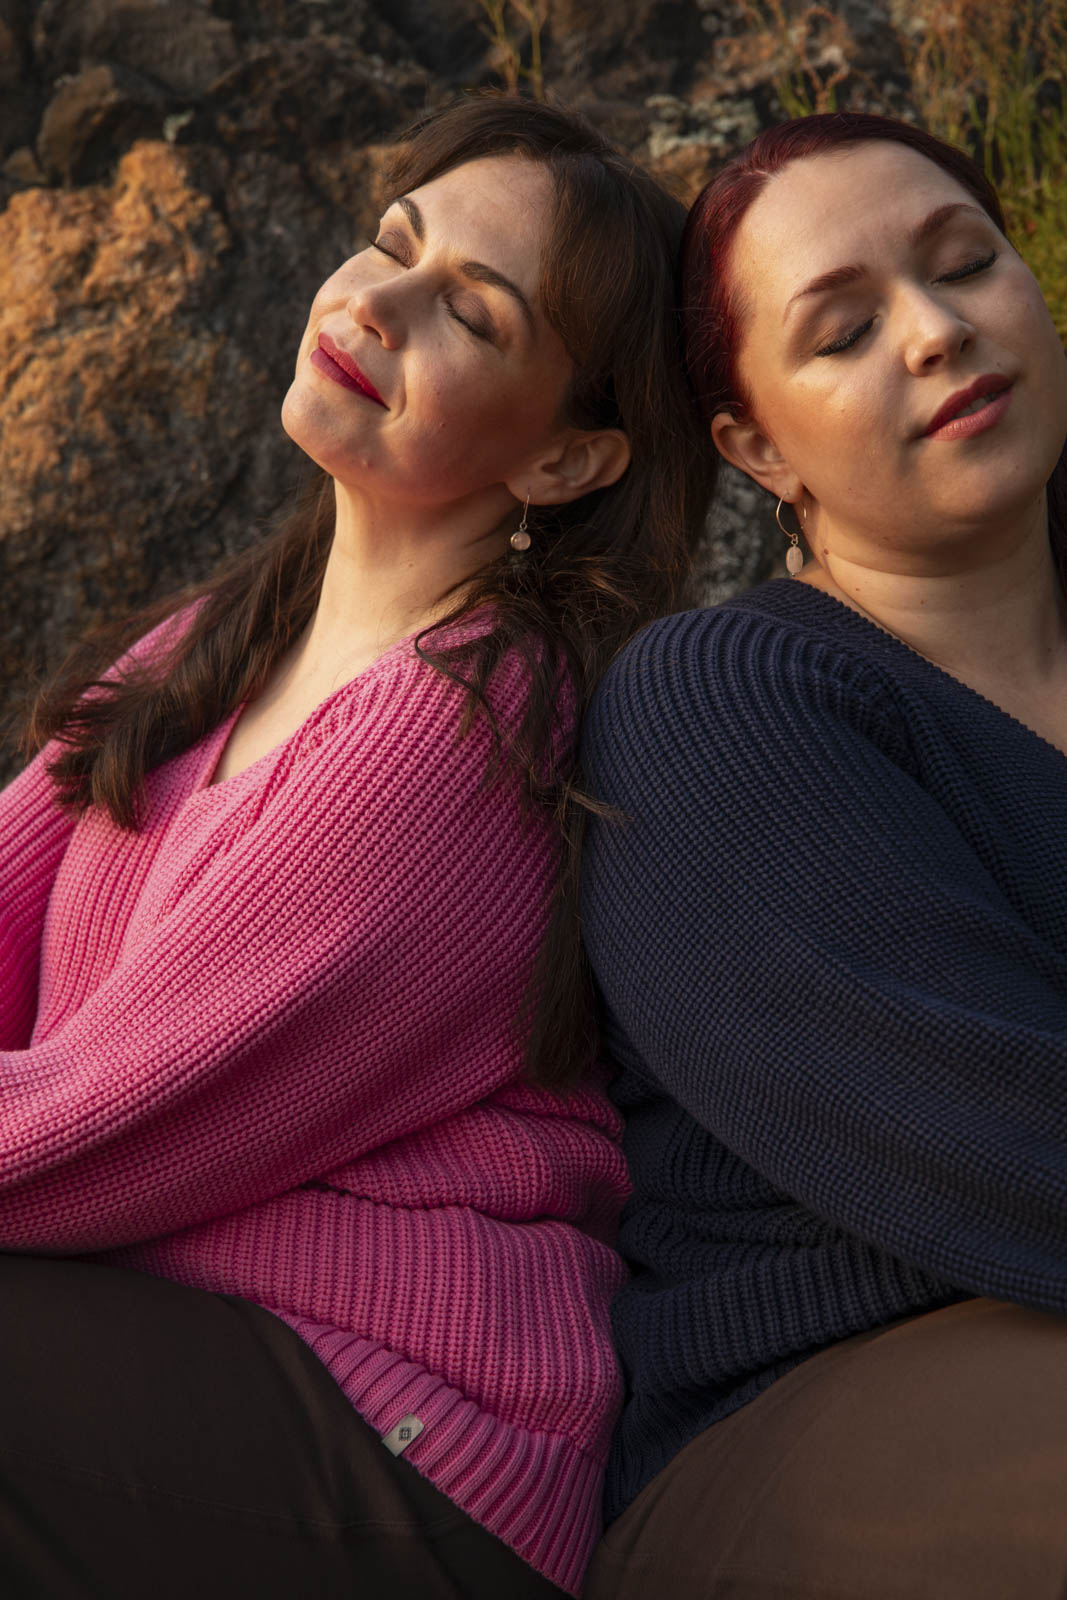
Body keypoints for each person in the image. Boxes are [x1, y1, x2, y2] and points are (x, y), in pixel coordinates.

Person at [0, 94, 714, 1599]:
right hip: (163, 1347)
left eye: (472, 312)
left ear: (567, 461)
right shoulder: (219, 644)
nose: (380, 302)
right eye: (395, 244)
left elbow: (100, 1127)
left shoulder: (472, 718)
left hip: (403, 1431)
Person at [579, 111, 1067, 1599]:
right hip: (835, 1404)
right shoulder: (720, 707)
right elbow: (1001, 1137)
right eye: (843, 332)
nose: (935, 331)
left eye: (965, 263)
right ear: (754, 447)